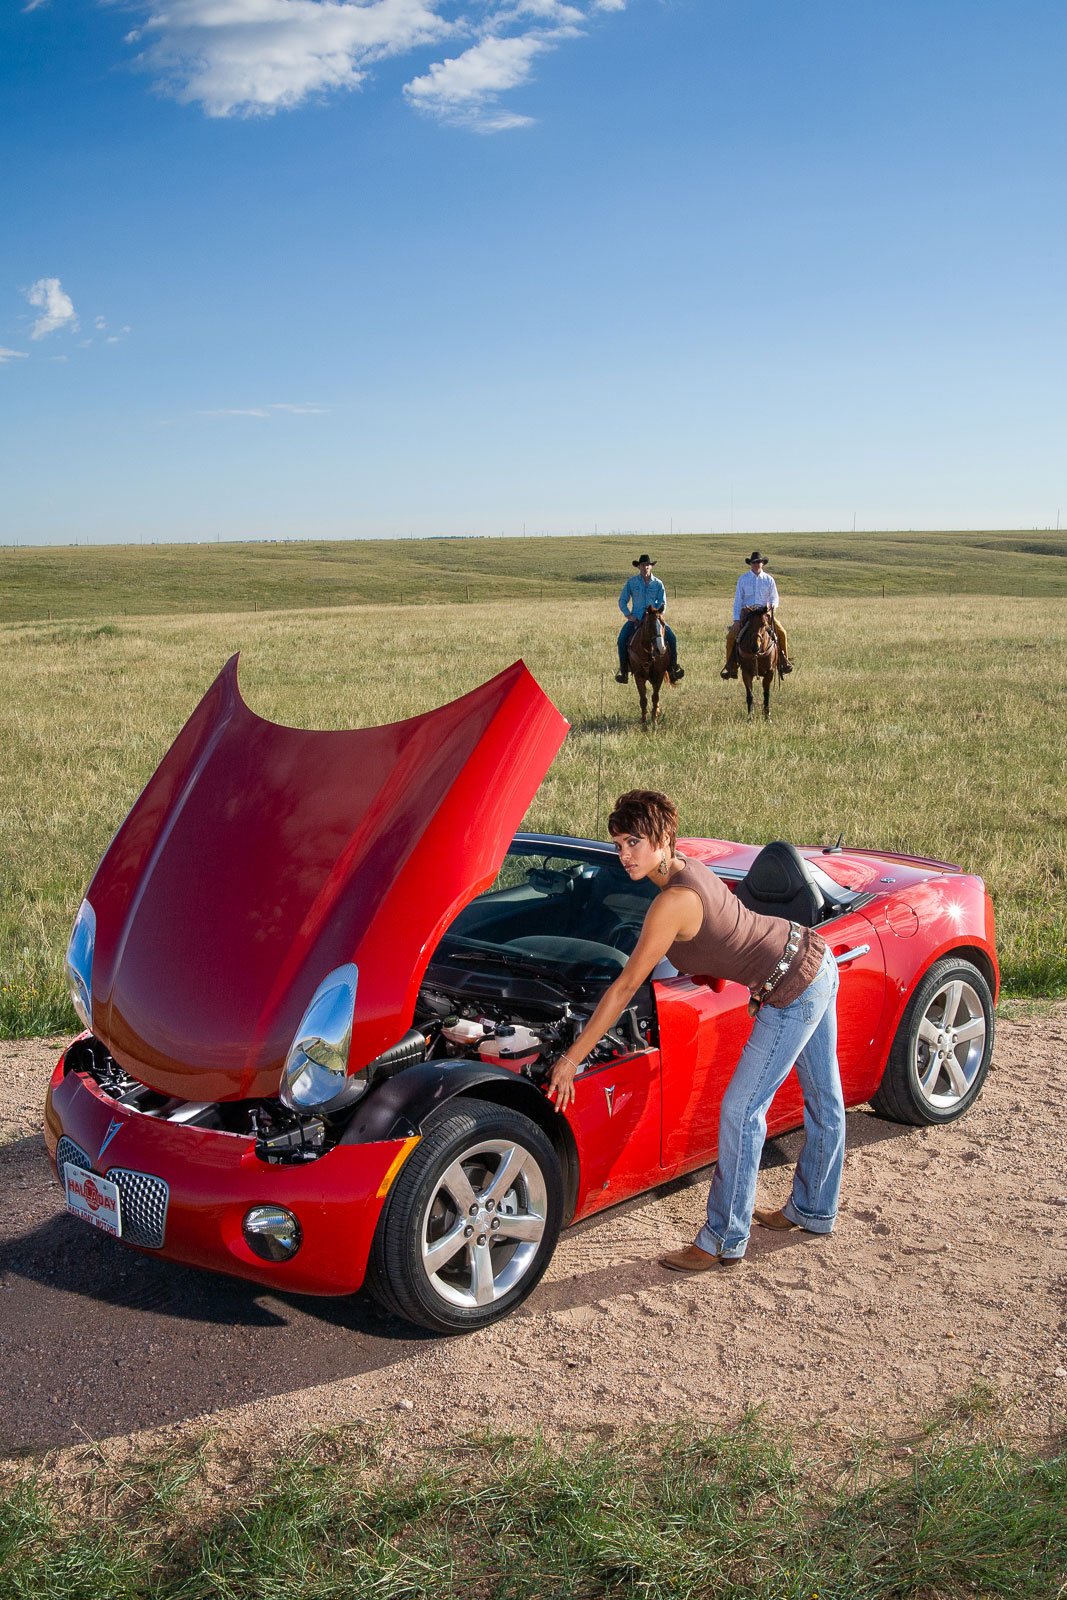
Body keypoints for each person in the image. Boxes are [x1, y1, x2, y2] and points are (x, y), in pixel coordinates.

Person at [546, 790, 843, 1271]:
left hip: (794, 986)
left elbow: (624, 987)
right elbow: (728, 932)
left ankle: (723, 1238)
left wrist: (571, 1058)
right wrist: (738, 976)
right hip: (811, 955)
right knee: (823, 1098)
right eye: (619, 844)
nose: (624, 855)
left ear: (663, 839)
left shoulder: (672, 902)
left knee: (741, 1112)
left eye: (634, 842)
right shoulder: (688, 867)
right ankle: (813, 1208)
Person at [721, 551, 793, 678]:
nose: (756, 564)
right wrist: (737, 620)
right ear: (750, 564)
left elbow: (774, 598)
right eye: (754, 562)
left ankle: (783, 663)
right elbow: (738, 600)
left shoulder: (769, 580)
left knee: (782, 633)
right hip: (747, 614)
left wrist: (771, 608)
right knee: (731, 637)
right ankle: (731, 667)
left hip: (764, 614)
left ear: (762, 564)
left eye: (759, 562)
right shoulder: (743, 579)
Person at [616, 554, 684, 685]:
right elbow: (622, 600)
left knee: (672, 638)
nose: (645, 567)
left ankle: (673, 668)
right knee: (622, 639)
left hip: (654, 619)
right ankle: (624, 671)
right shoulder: (632, 582)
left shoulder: (658, 583)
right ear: (639, 567)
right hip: (636, 619)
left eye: (648, 565)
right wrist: (629, 615)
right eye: (642, 565)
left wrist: (657, 614)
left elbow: (663, 601)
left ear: (651, 567)